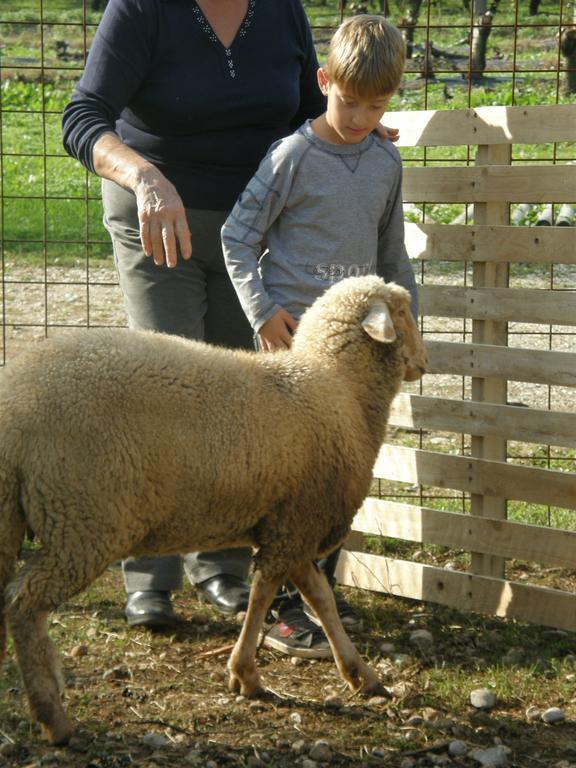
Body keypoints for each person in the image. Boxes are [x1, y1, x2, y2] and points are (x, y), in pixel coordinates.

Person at [61, 0, 327, 630]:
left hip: (252, 231)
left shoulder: (282, 11)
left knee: (240, 396)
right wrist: (144, 177)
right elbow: (83, 117)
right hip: (160, 221)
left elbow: (309, 113)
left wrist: (358, 128)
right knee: (164, 391)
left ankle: (224, 567)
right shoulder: (141, 11)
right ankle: (148, 576)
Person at [221, 15, 418, 658]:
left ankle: (316, 596)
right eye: (348, 100)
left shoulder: (386, 161)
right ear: (323, 80)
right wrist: (262, 313)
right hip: (293, 348)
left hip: (357, 354)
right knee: (288, 479)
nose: (360, 117)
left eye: (377, 104)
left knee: (341, 476)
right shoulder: (292, 156)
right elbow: (238, 237)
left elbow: (393, 259)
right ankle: (281, 609)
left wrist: (407, 330)